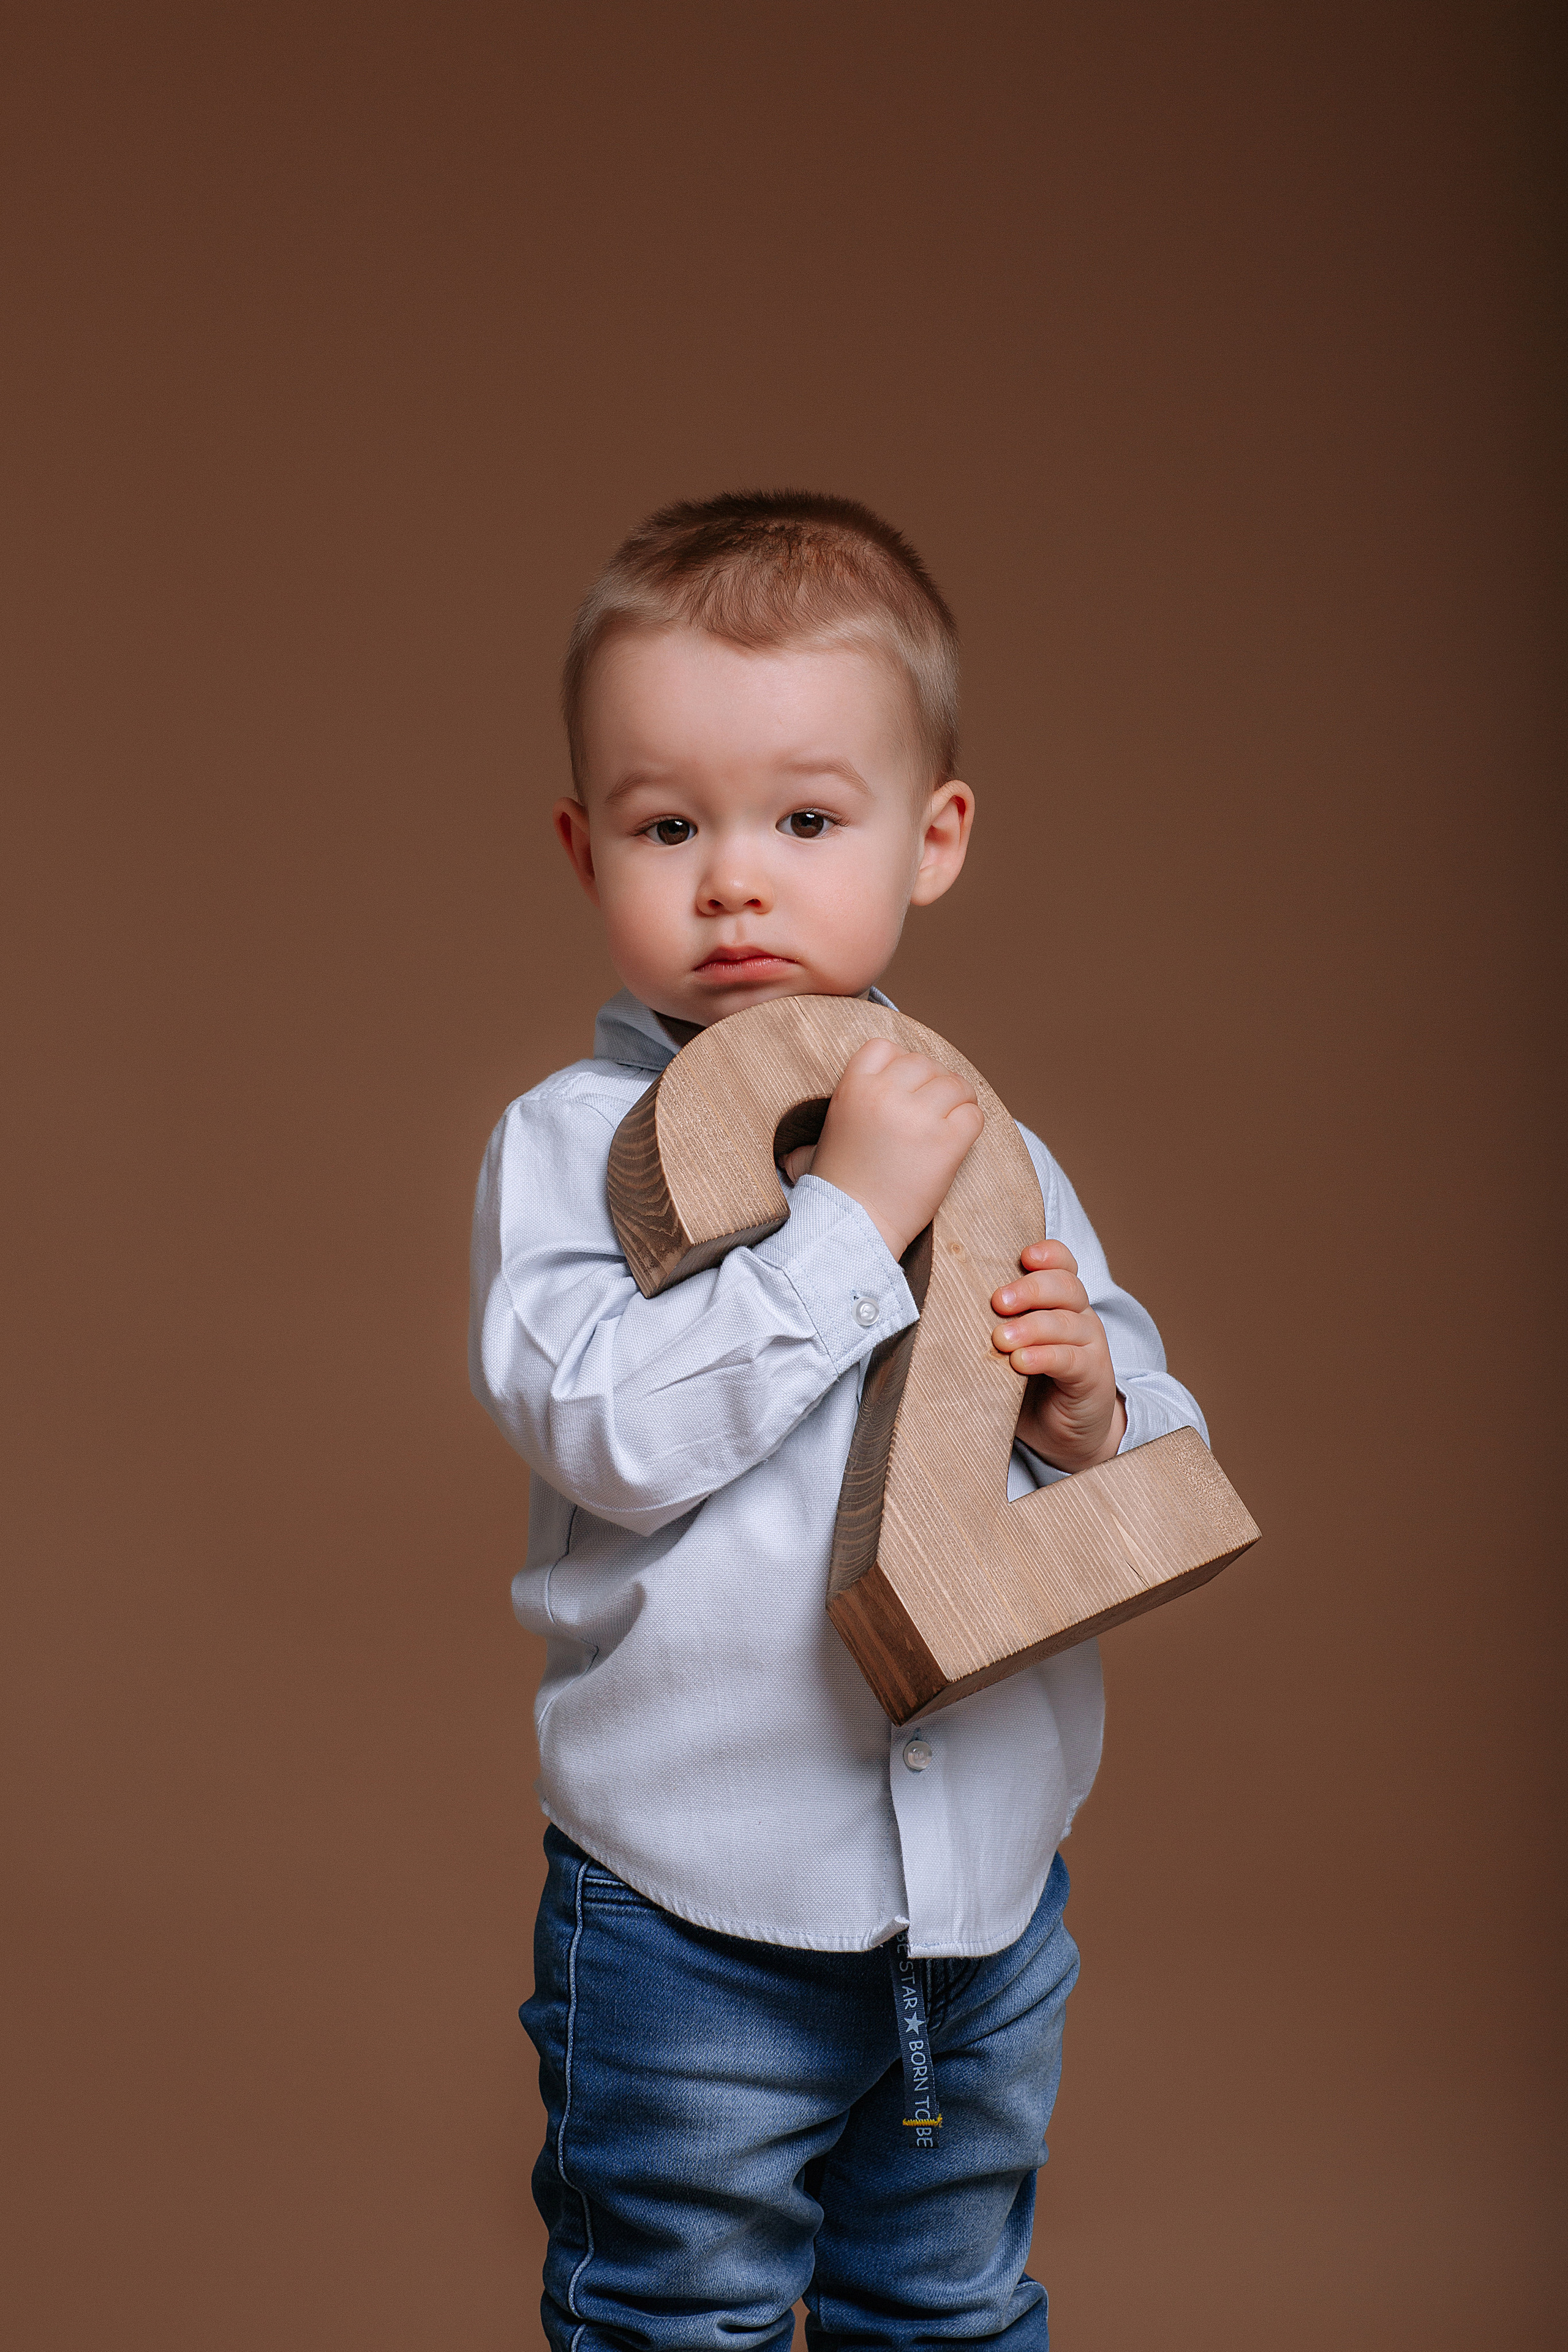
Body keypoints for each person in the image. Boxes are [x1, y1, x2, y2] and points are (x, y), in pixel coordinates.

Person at [469, 491, 1207, 2352]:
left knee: (949, 2317)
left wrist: (1091, 1395)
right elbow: (608, 1434)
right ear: (584, 849)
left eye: (805, 822)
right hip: (688, 1915)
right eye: (667, 826)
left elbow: (1141, 1428)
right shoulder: (570, 1147)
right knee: (674, 2322)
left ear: (931, 839)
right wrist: (845, 1225)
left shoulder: (986, 1138)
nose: (736, 879)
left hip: (978, 1919)